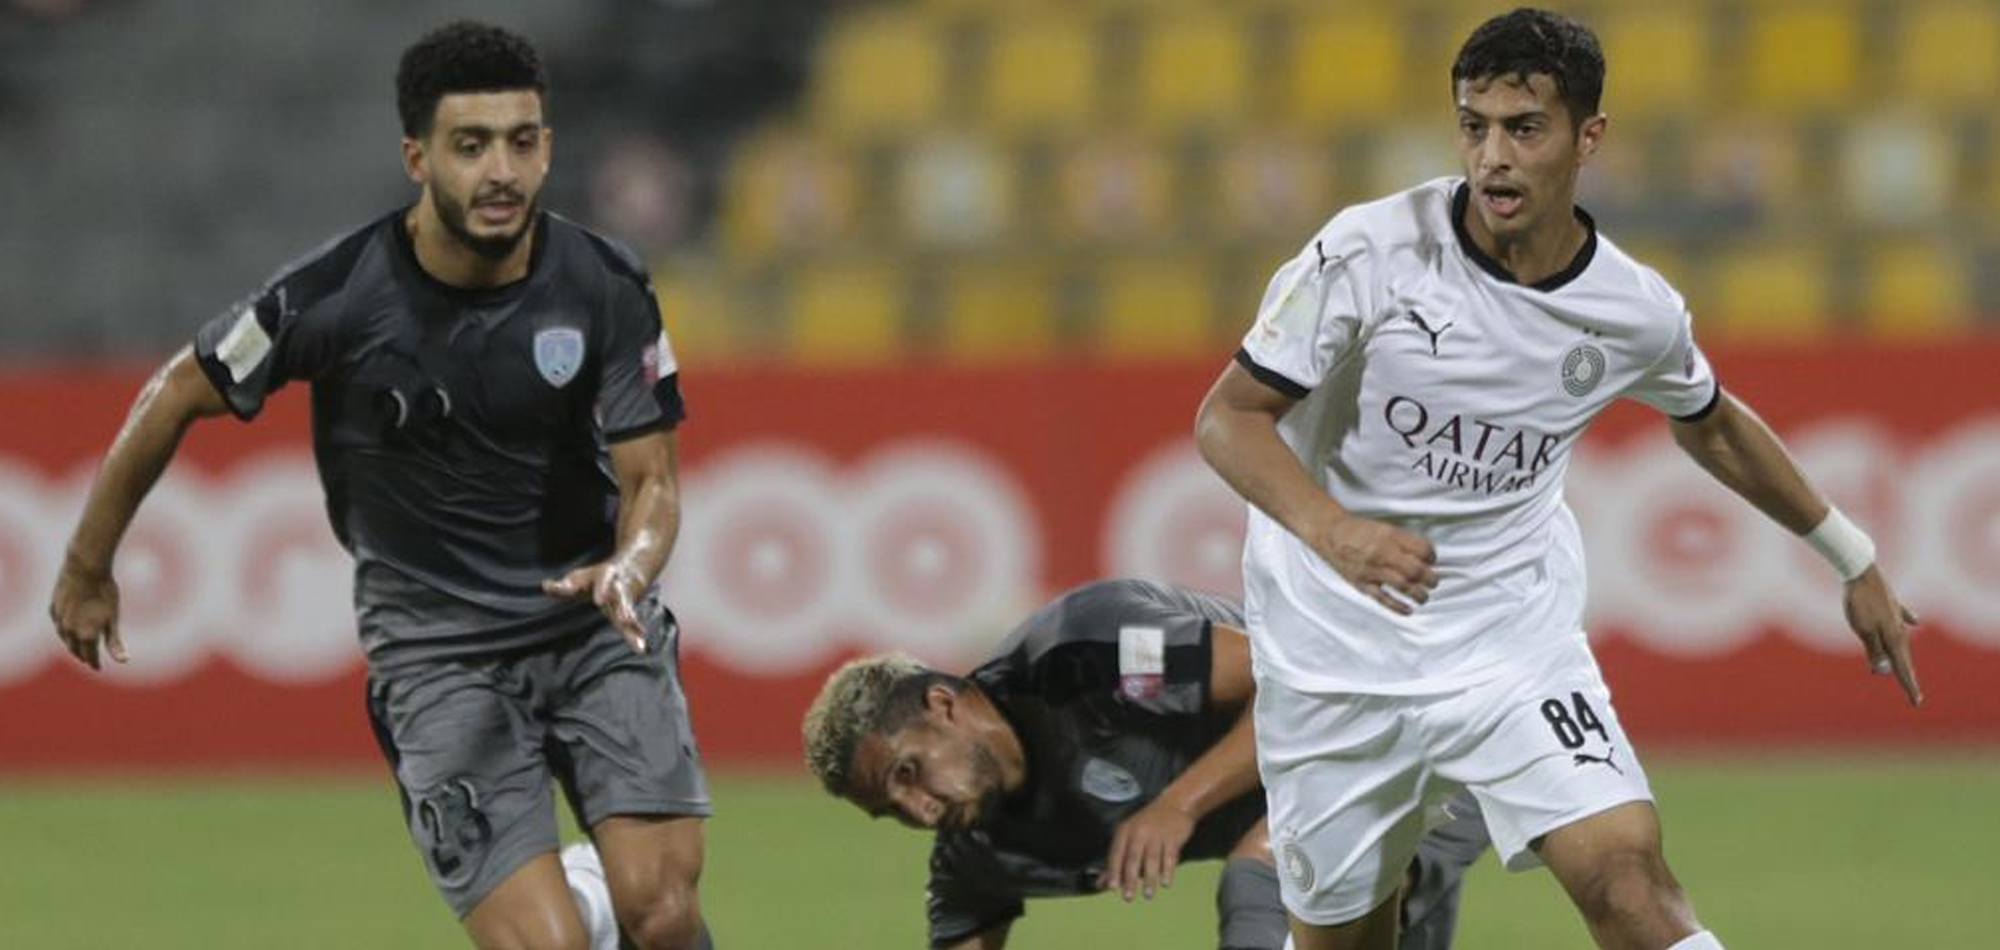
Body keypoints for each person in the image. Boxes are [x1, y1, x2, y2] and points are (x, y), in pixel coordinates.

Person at [1193, 9, 1922, 950]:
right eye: (1473, 125)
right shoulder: (1368, 253)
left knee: (1629, 885)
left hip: (1509, 650)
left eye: (1523, 129)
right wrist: (1335, 530)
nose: (1491, 156)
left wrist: (1850, 555)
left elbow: (1714, 427)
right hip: (1333, 665)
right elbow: (1227, 416)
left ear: (1589, 139)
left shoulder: (1631, 310)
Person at [47, 21, 715, 950]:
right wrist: (88, 565)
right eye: (470, 145)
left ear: (549, 146)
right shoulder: (335, 298)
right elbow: (173, 394)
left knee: (667, 915)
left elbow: (655, 483)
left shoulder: (602, 284)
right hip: (439, 659)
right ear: (417, 156)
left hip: (595, 633)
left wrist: (631, 568)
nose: (501, 172)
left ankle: (601, 893)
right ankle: (580, 905)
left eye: (523, 142)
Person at [800, 578, 1491, 950]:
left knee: (1265, 875)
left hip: (1401, 739)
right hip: (1321, 818)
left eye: (908, 774)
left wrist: (1177, 806)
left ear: (943, 705)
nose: (921, 812)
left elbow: (1297, 686)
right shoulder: (980, 852)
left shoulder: (1090, 660)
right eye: (893, 813)